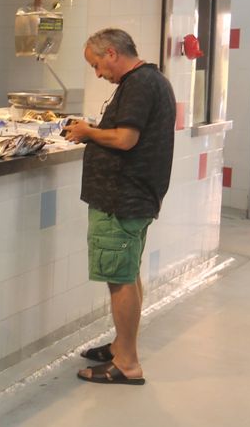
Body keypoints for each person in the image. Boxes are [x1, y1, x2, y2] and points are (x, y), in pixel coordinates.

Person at [62, 28, 176, 386]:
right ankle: (120, 345)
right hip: (133, 197)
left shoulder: (140, 84)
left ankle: (126, 363)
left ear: (111, 53)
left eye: (97, 65)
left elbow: (126, 139)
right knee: (127, 274)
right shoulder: (149, 80)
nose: (98, 74)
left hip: (122, 200)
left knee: (120, 280)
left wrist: (86, 132)